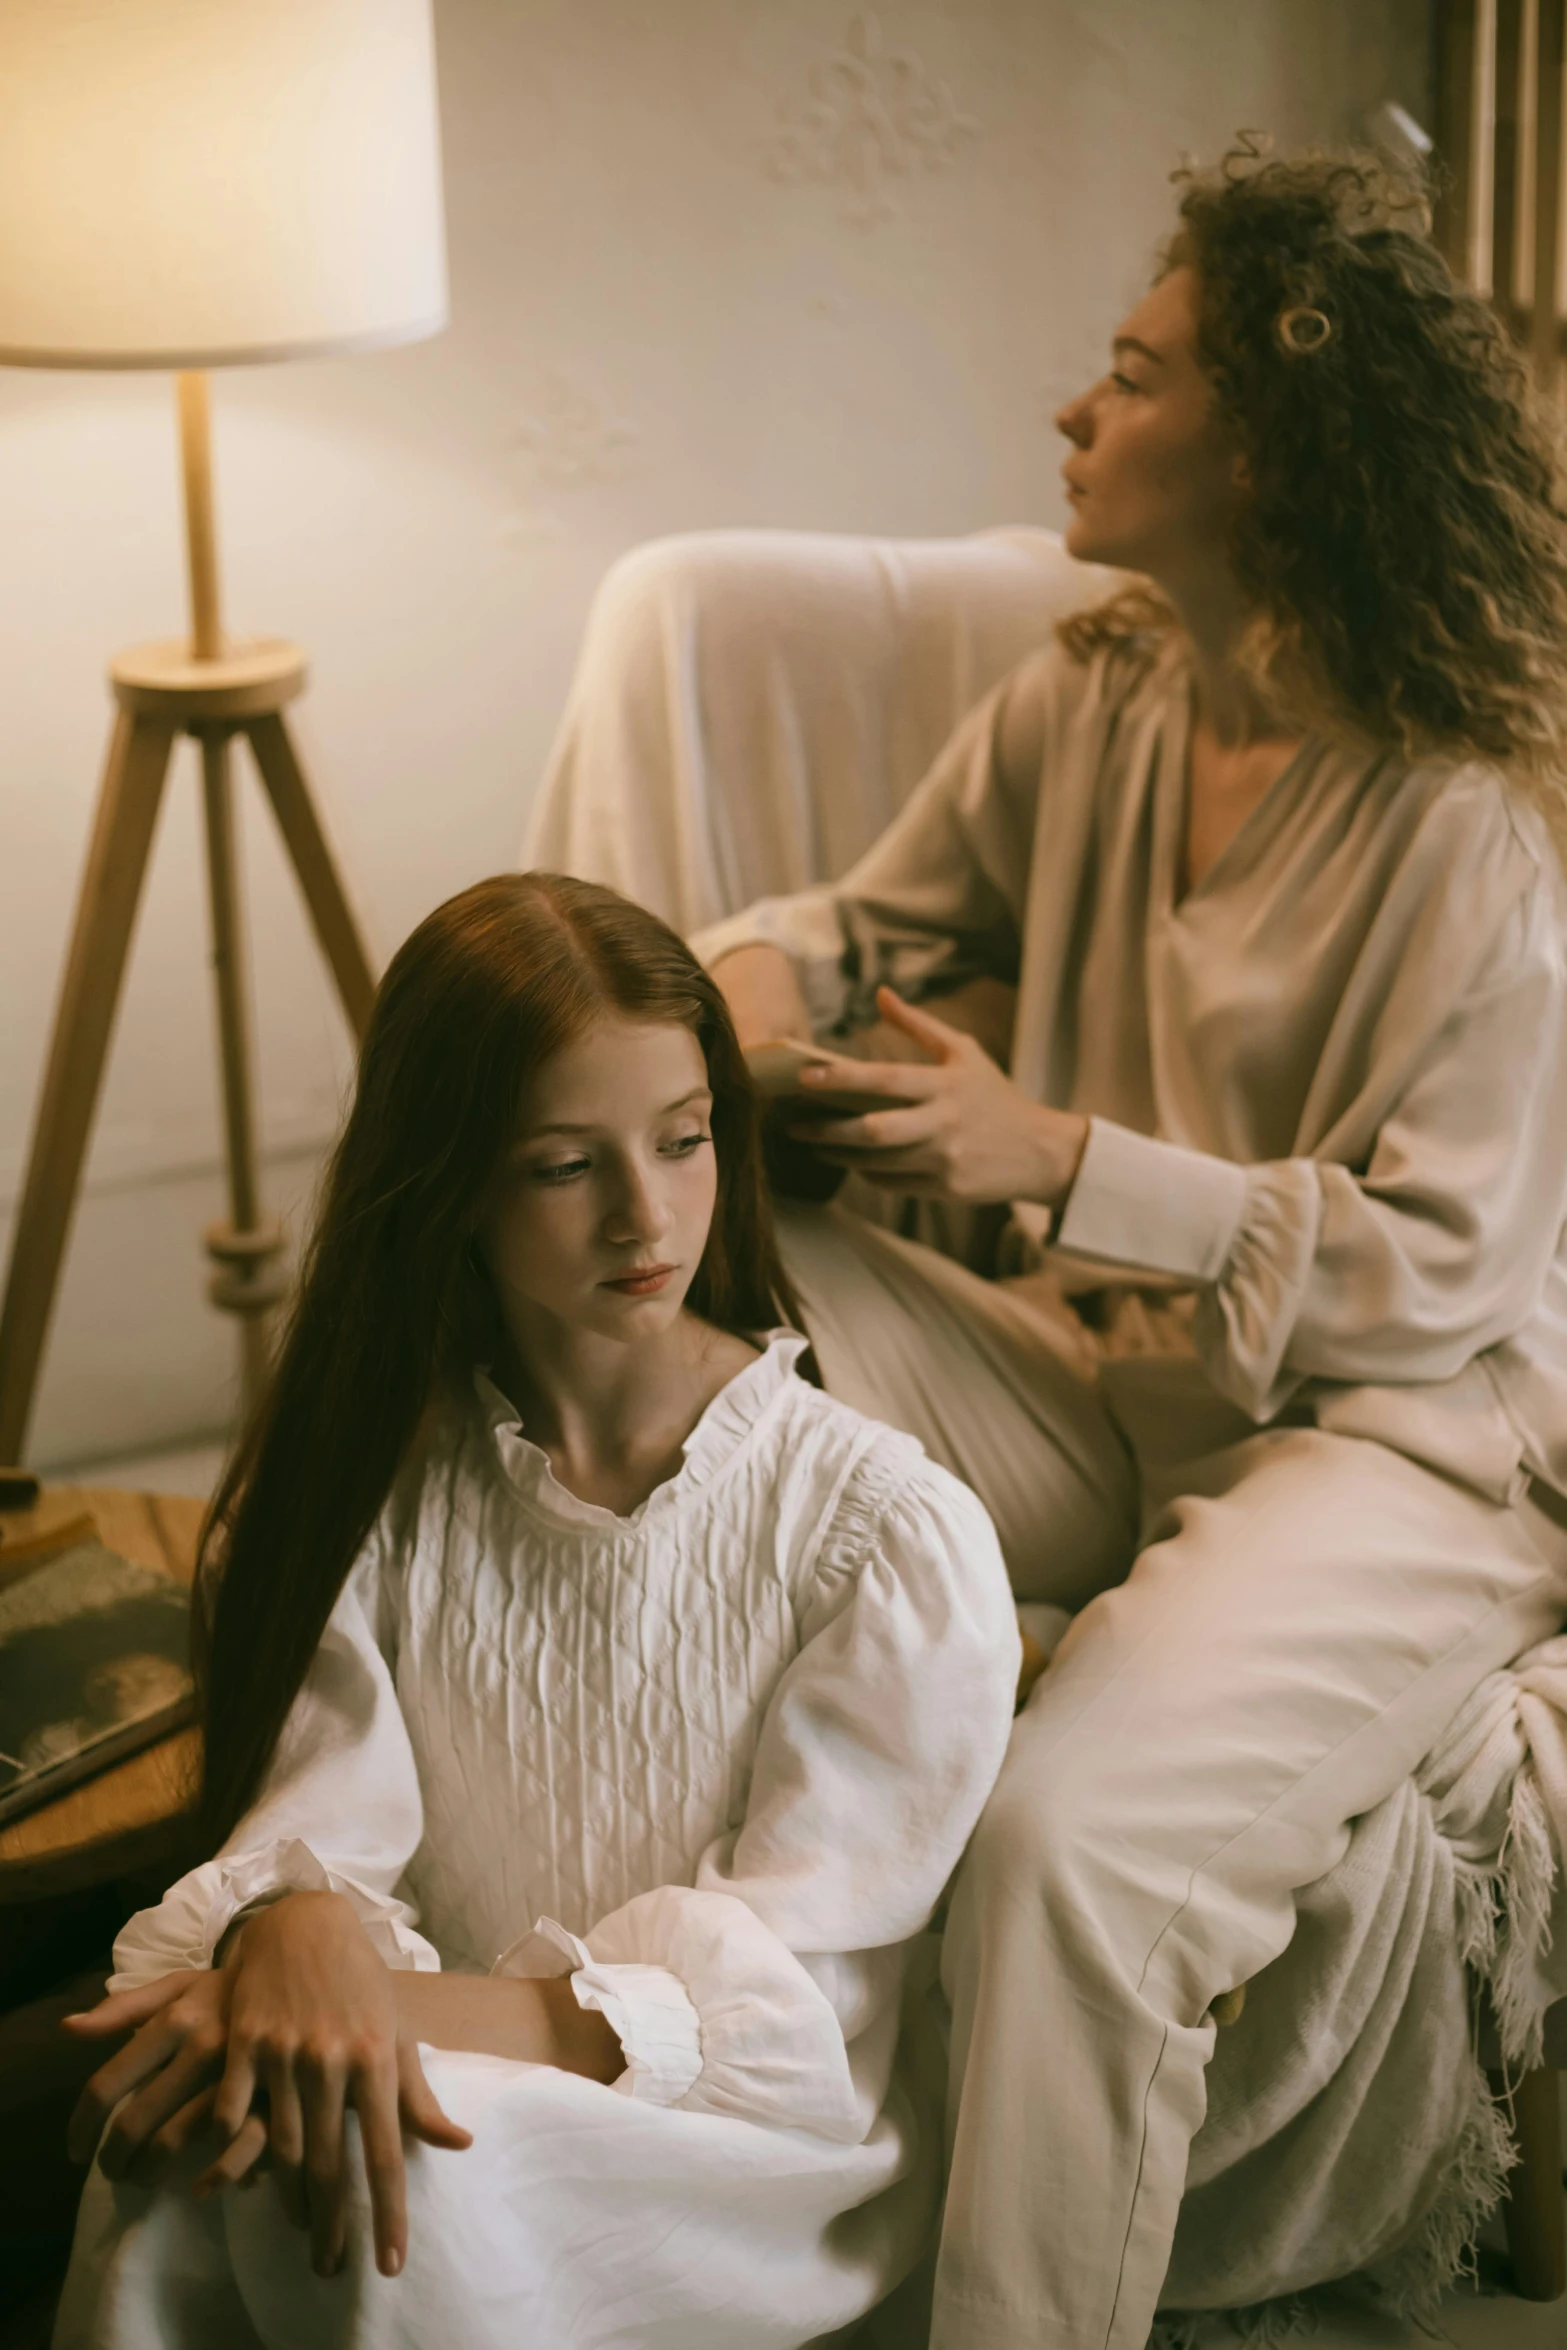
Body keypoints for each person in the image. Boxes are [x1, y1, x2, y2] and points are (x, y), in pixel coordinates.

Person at [694, 148, 1567, 2349]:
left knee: (1073, 1846)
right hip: (1098, 1384)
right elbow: (855, 924)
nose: (1075, 419)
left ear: (1268, 443)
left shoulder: (1474, 816)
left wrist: (1058, 1151)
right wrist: (733, 1007)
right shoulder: (1095, 698)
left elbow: (1442, 1272)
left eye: (1129, 373)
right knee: (695, 1255)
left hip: (1404, 1453)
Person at [49, 873, 1020, 2350]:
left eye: (685, 1139)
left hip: (734, 2153)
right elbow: (327, 1820)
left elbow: (782, 2014)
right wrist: (296, 1921)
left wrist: (366, 2007)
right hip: (461, 2073)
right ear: (448, 1183)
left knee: (373, 2180)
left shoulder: (881, 1537)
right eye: (566, 1163)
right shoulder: (366, 1495)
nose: (648, 1212)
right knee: (247, 2146)